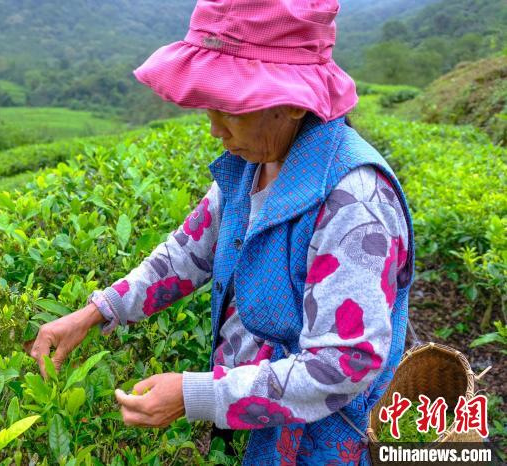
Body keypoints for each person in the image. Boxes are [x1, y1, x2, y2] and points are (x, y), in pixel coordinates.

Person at [25, 0, 415, 464]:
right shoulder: (251, 164)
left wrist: (195, 395)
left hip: (321, 443)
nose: (214, 129)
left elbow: (343, 363)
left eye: (229, 109)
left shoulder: (356, 203)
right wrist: (95, 312)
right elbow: (188, 252)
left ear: (293, 102)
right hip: (256, 417)